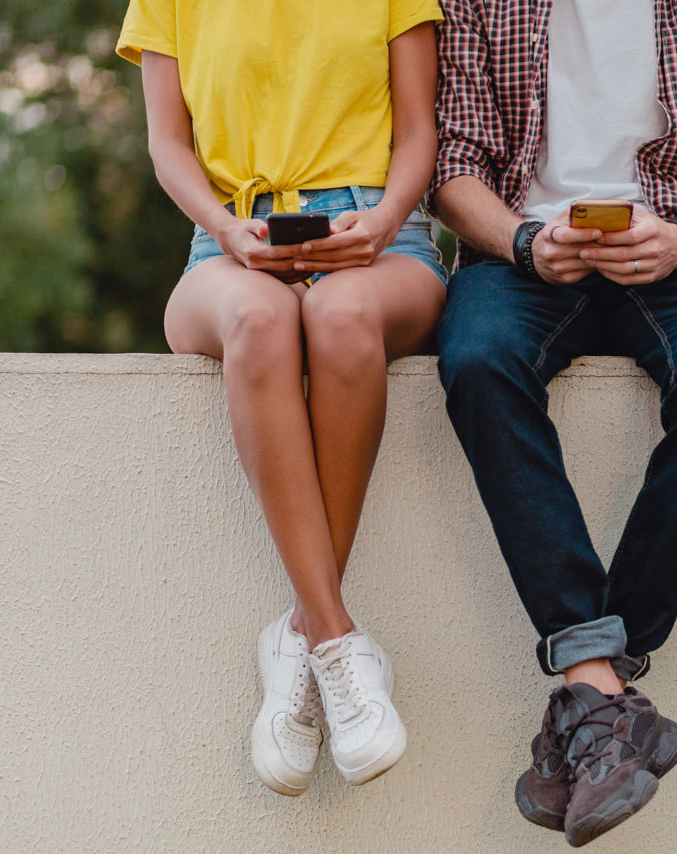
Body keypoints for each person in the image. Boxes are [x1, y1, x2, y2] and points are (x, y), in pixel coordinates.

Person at [430, 0, 677, 845]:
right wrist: (522, 239)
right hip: (523, 259)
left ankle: (597, 683)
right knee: (476, 362)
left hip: (673, 256)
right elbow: (453, 168)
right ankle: (604, 688)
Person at [116, 0, 448, 796]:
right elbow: (167, 143)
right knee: (262, 323)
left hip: (379, 235)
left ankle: (294, 642)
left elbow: (418, 134)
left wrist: (385, 219)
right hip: (227, 242)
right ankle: (333, 638)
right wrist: (225, 230)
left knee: (340, 316)